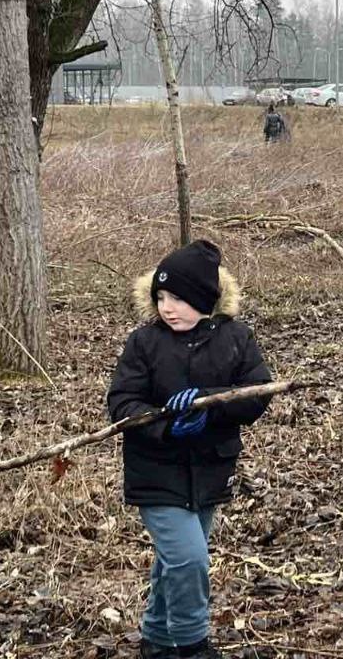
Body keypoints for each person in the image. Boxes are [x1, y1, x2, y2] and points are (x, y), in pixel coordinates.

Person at [107, 240, 273, 659]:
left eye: (178, 298)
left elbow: (256, 394)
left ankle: (158, 640)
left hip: (210, 471)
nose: (167, 307)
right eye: (161, 297)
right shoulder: (144, 342)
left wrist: (210, 405)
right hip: (156, 471)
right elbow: (122, 402)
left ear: (205, 299)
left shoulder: (237, 338)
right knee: (189, 560)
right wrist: (166, 423)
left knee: (174, 560)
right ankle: (191, 642)